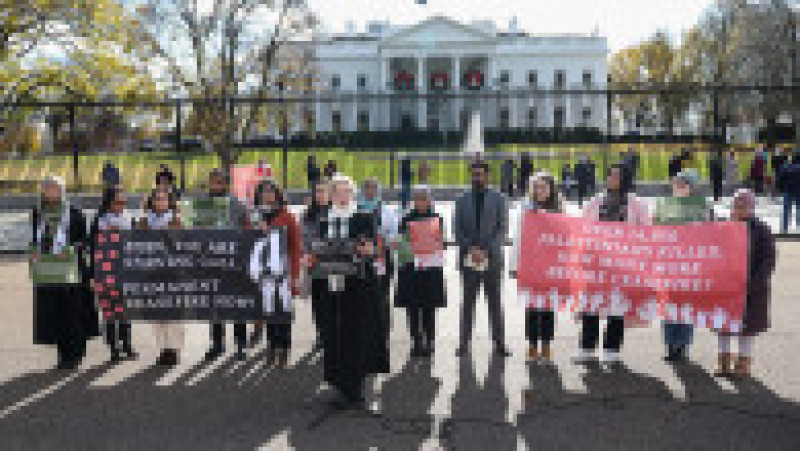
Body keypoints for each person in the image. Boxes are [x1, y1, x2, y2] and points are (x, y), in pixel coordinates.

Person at [317, 174, 388, 408]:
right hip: (331, 284)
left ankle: (355, 390)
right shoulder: (324, 219)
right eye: (337, 191)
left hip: (359, 285)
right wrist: (312, 258)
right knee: (334, 334)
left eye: (347, 191)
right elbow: (318, 249)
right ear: (331, 194)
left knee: (356, 336)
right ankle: (339, 386)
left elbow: (375, 249)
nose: (342, 195)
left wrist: (369, 250)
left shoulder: (364, 217)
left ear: (353, 194)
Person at [575, 163, 652, 364]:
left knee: (617, 307)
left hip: (623, 264)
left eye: (618, 176)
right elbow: (582, 227)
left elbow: (646, 232)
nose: (613, 179)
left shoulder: (637, 204)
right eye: (611, 175)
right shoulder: (595, 201)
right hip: (596, 263)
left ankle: (612, 350)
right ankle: (586, 348)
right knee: (590, 305)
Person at [31, 175, 100, 369]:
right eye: (48, 189)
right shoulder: (38, 213)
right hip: (49, 272)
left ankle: (75, 353)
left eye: (55, 188)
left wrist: (70, 249)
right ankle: (63, 354)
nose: (52, 192)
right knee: (56, 313)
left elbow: (85, 242)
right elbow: (36, 239)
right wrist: (36, 251)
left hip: (73, 270)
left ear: (62, 191)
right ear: (43, 192)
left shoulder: (75, 213)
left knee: (74, 313)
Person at [715, 189, 776, 378]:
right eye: (736, 204)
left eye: (743, 205)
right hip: (726, 286)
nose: (739, 208)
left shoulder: (762, 229)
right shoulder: (724, 227)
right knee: (723, 326)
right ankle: (724, 363)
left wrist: (754, 283)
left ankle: (743, 364)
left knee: (747, 329)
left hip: (751, 288)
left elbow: (768, 259)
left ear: (752, 207)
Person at [654, 170, 714, 362]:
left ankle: (683, 346)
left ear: (690, 188)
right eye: (676, 184)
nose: (678, 187)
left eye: (683, 184)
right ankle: (671, 345)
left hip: (690, 267)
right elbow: (653, 231)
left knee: (686, 307)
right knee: (669, 306)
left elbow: (710, 233)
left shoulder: (701, 207)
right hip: (669, 266)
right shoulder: (664, 207)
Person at [453, 160, 510, 357]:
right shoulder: (461, 200)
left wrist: (485, 250)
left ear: (488, 176)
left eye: (481, 174)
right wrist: (471, 249)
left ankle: (499, 343)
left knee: (494, 302)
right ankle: (463, 343)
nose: (477, 177)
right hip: (469, 260)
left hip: (492, 259)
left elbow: (502, 229)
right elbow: (457, 230)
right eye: (474, 174)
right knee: (467, 303)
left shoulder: (500, 198)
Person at [509, 172, 564, 362]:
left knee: (549, 308)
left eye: (544, 187)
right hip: (530, 265)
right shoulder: (526, 210)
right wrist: (514, 264)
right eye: (537, 187)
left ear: (551, 189)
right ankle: (532, 345)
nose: (540, 191)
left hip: (550, 267)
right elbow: (518, 238)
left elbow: (565, 239)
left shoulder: (560, 211)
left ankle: (547, 345)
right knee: (532, 307)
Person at [249, 179, 301, 368]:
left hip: (284, 271)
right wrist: (257, 231)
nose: (267, 195)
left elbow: (295, 247)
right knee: (269, 311)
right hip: (264, 272)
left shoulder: (287, 216)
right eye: (264, 191)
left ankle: (284, 348)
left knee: (284, 312)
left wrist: (295, 274)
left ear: (278, 194)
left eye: (271, 191)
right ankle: (271, 347)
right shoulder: (255, 216)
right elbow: (247, 241)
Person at [202, 169, 250, 361]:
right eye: (213, 182)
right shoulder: (201, 205)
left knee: (237, 305)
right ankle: (217, 344)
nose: (216, 185)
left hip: (233, 261)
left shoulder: (237, 204)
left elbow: (246, 229)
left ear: (226, 184)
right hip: (211, 261)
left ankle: (240, 345)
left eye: (220, 182)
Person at [395, 185, 446, 358]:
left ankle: (430, 340)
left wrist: (439, 243)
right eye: (417, 198)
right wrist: (402, 246)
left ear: (430, 200)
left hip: (430, 268)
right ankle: (416, 341)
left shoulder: (436, 218)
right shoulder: (405, 219)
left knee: (429, 306)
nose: (421, 201)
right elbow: (401, 245)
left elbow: (440, 242)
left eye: (424, 198)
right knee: (413, 307)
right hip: (411, 269)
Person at [138, 185, 184, 366]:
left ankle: (174, 349)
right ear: (151, 201)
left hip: (172, 271)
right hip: (151, 272)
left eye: (164, 199)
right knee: (156, 313)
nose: (160, 202)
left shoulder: (177, 220)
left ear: (170, 202)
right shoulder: (143, 222)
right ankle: (163, 348)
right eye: (157, 198)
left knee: (173, 313)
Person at [90, 186, 136, 362]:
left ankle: (127, 345)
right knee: (109, 312)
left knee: (125, 311)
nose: (121, 205)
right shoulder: (99, 221)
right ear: (108, 202)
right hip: (104, 272)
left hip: (125, 271)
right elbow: (92, 249)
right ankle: (113, 349)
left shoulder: (129, 219)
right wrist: (92, 276)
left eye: (124, 202)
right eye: (118, 202)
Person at [356, 178, 397, 374]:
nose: (370, 191)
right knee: (363, 298)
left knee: (381, 297)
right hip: (361, 260)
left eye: (373, 188)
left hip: (382, 258)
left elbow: (394, 234)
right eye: (367, 188)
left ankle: (383, 335)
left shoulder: (387, 211)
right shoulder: (357, 209)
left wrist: (384, 238)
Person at [301, 181, 331, 349]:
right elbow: (303, 238)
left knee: (333, 300)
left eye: (323, 191)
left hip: (334, 265)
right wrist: (307, 253)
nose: (320, 195)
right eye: (317, 192)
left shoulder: (336, 212)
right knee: (318, 301)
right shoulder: (307, 215)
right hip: (315, 264)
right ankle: (320, 333)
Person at [778, 150, 800, 233]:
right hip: (798, 191)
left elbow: (781, 179)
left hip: (788, 190)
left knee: (786, 211)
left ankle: (784, 228)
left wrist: (780, 189)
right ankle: (798, 226)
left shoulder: (786, 166)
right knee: (799, 210)